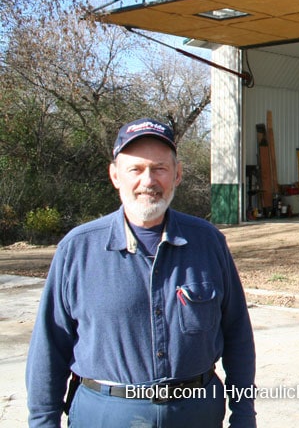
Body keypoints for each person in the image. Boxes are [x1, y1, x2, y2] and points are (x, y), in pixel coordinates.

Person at [26, 118, 256, 427]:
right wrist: (43, 422)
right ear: (115, 176)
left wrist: (244, 417)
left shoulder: (208, 242)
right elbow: (49, 349)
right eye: (135, 169)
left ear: (177, 174)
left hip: (196, 414)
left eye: (159, 168)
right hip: (105, 415)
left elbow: (237, 336)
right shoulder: (78, 249)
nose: (148, 180)